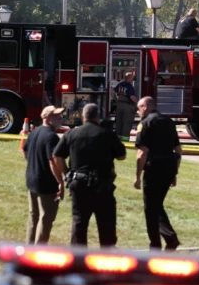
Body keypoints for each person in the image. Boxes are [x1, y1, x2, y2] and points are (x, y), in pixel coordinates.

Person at [52, 104, 126, 247]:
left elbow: (57, 156)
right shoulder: (107, 134)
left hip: (79, 184)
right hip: (102, 185)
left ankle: (78, 261)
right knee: (106, 225)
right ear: (98, 116)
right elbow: (121, 156)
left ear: (83, 116)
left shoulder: (72, 134)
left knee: (79, 223)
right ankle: (107, 260)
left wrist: (67, 173)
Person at [134, 96, 182, 251]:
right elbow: (178, 151)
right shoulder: (169, 122)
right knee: (157, 205)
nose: (138, 110)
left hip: (154, 168)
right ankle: (169, 238)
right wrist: (174, 172)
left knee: (150, 208)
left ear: (146, 106)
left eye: (139, 107)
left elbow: (142, 152)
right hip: (168, 168)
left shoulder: (145, 123)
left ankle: (156, 245)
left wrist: (137, 177)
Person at [22, 105, 65, 244]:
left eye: (60, 115)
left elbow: (24, 151)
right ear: (46, 117)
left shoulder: (34, 132)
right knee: (46, 218)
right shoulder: (51, 137)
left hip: (31, 179)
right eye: (56, 116)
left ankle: (29, 249)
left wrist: (33, 163)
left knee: (33, 215)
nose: (60, 118)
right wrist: (60, 182)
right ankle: (38, 251)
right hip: (46, 184)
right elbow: (54, 161)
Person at [114, 72, 138, 141]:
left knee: (119, 122)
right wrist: (138, 103)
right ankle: (125, 140)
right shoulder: (129, 86)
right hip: (127, 106)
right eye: (132, 77)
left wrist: (116, 100)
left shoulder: (120, 84)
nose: (133, 78)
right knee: (127, 123)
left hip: (119, 105)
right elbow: (132, 97)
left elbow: (113, 91)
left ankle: (117, 140)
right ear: (129, 77)